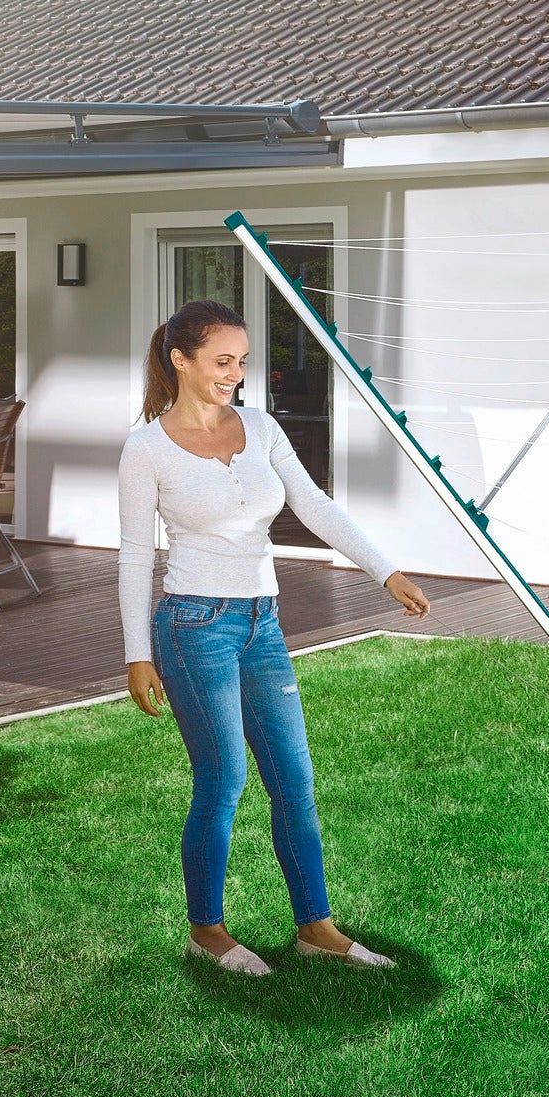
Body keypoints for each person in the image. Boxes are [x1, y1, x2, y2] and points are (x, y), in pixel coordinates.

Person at [120, 298, 430, 976]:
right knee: (225, 778)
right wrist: (136, 655)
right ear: (181, 359)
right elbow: (134, 554)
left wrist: (386, 571)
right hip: (192, 624)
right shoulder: (145, 448)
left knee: (294, 778)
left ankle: (315, 929)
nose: (235, 373)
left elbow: (312, 503)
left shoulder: (259, 429)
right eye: (221, 360)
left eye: (241, 361)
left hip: (263, 621)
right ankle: (207, 931)